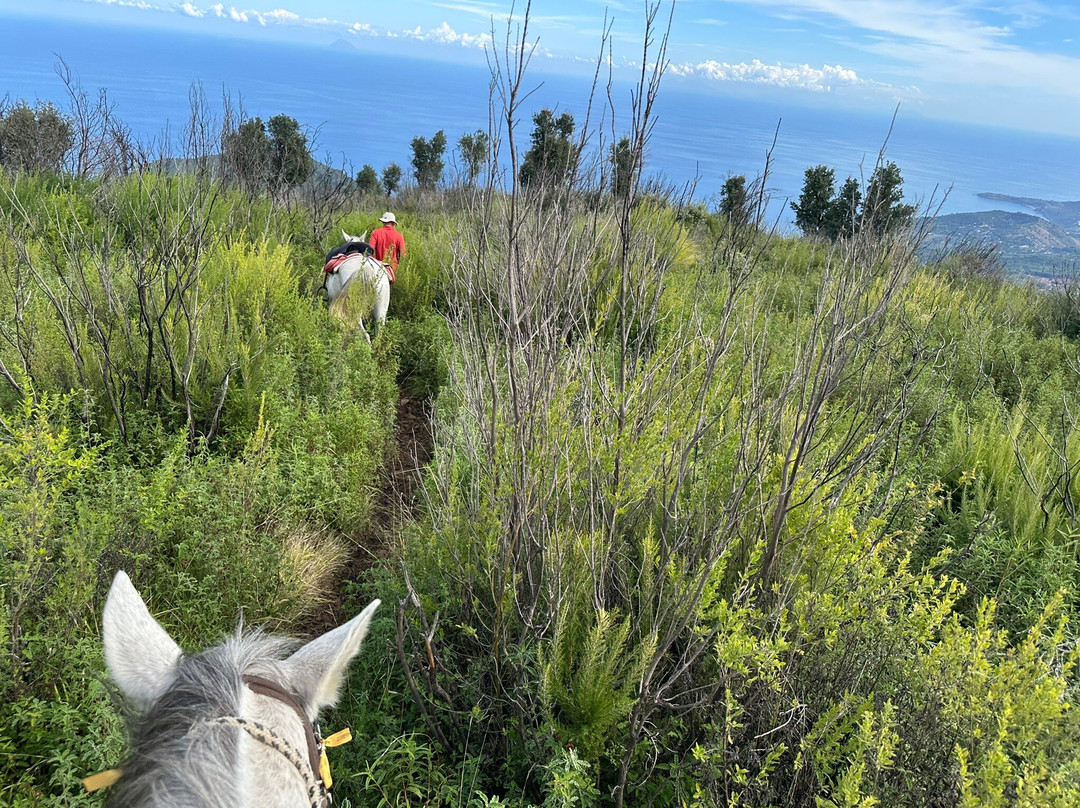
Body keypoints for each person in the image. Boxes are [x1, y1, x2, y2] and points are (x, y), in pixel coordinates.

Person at [369, 212, 405, 279]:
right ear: (393, 223)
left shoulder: (375, 233)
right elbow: (402, 254)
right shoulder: (399, 236)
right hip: (392, 270)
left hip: (378, 267)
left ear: (383, 222)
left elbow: (370, 250)